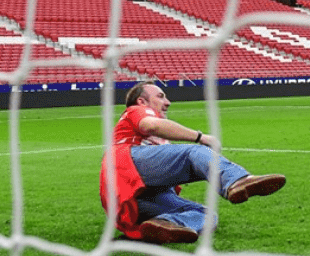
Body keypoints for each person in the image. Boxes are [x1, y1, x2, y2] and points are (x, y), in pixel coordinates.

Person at [100, 81, 286, 244]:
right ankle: (236, 181)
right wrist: (201, 137)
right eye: (161, 96)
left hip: (133, 197)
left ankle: (165, 224)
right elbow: (152, 125)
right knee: (195, 151)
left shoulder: (158, 141)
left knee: (207, 215)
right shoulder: (137, 110)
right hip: (126, 168)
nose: (168, 102)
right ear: (142, 101)